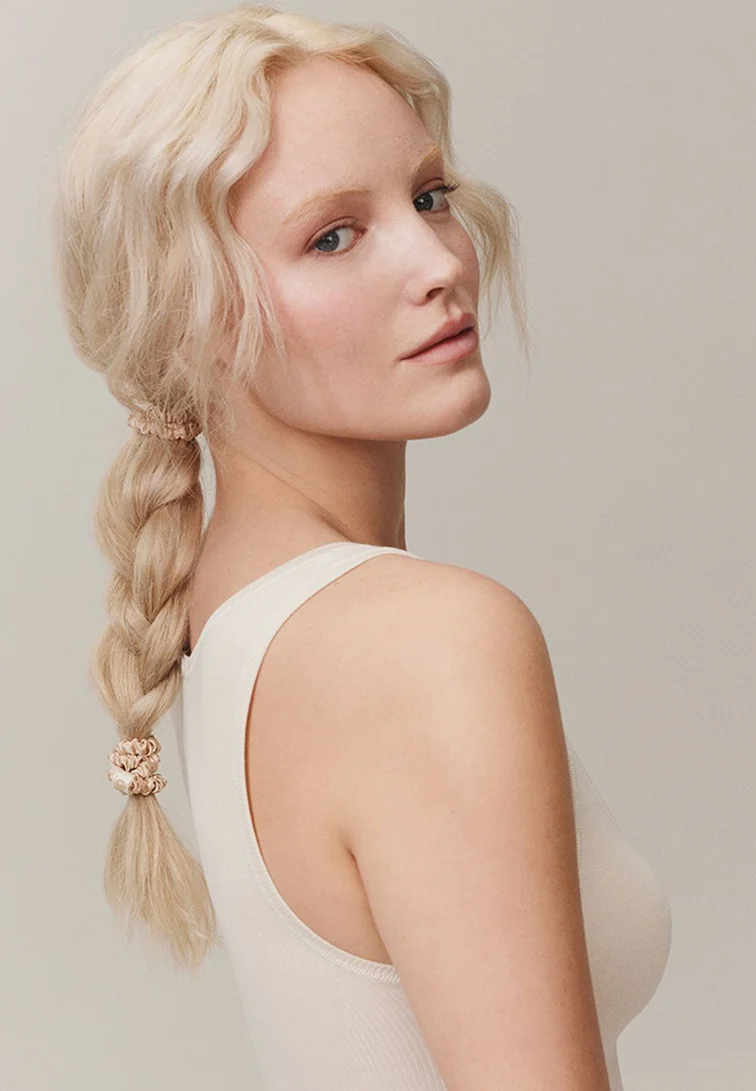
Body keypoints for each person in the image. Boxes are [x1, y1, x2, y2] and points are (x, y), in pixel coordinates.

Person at [52, 5, 672, 1089]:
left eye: (429, 195)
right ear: (189, 322)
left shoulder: (225, 609)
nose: (438, 261)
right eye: (332, 236)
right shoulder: (423, 640)